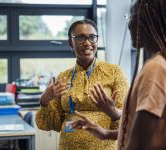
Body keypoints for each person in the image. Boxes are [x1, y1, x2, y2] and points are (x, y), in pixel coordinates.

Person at [71, 0, 166, 149]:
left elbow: (139, 143)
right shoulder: (156, 64)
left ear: (147, 21)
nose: (128, 25)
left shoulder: (155, 68)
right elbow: (138, 127)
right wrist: (105, 133)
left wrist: (113, 112)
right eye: (80, 38)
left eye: (131, 17)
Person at [35, 19, 128, 150]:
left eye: (92, 37)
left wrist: (113, 111)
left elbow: (128, 123)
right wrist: (44, 100)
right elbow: (53, 123)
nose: (87, 43)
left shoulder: (114, 72)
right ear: (70, 43)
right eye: (80, 38)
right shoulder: (64, 77)